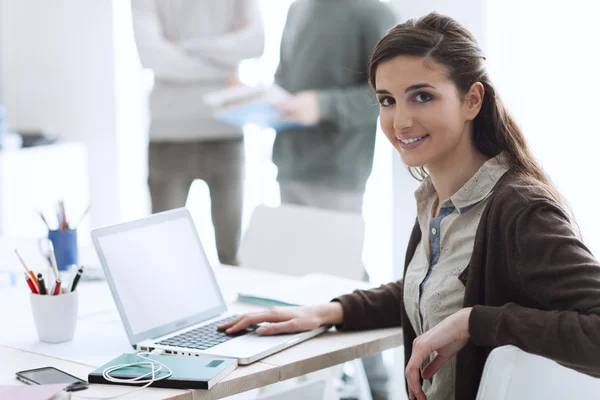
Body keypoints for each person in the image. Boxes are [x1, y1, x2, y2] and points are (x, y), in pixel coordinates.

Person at [218, 12, 600, 400]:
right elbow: (439, 285)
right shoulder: (437, 199)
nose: (400, 121)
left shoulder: (520, 211)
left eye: (422, 96)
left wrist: (475, 322)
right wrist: (330, 312)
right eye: (387, 100)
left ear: (472, 100)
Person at [131, 0, 265, 266]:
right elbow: (152, 56)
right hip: (168, 138)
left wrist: (184, 47)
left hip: (225, 133)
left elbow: (255, 43)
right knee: (165, 255)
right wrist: (223, 63)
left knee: (231, 254)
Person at [273, 0, 396, 214]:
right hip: (289, 167)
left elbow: (388, 94)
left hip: (338, 173)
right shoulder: (297, 8)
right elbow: (283, 77)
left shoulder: (373, 13)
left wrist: (323, 106)